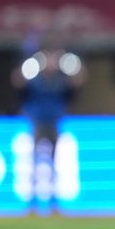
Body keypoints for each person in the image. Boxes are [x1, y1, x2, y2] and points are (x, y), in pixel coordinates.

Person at [11, 46, 85, 212]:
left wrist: (76, 81)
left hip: (54, 123)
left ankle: (53, 201)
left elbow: (71, 94)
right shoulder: (34, 79)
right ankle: (32, 202)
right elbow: (21, 91)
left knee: (53, 163)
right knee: (34, 162)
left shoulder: (61, 80)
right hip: (37, 122)